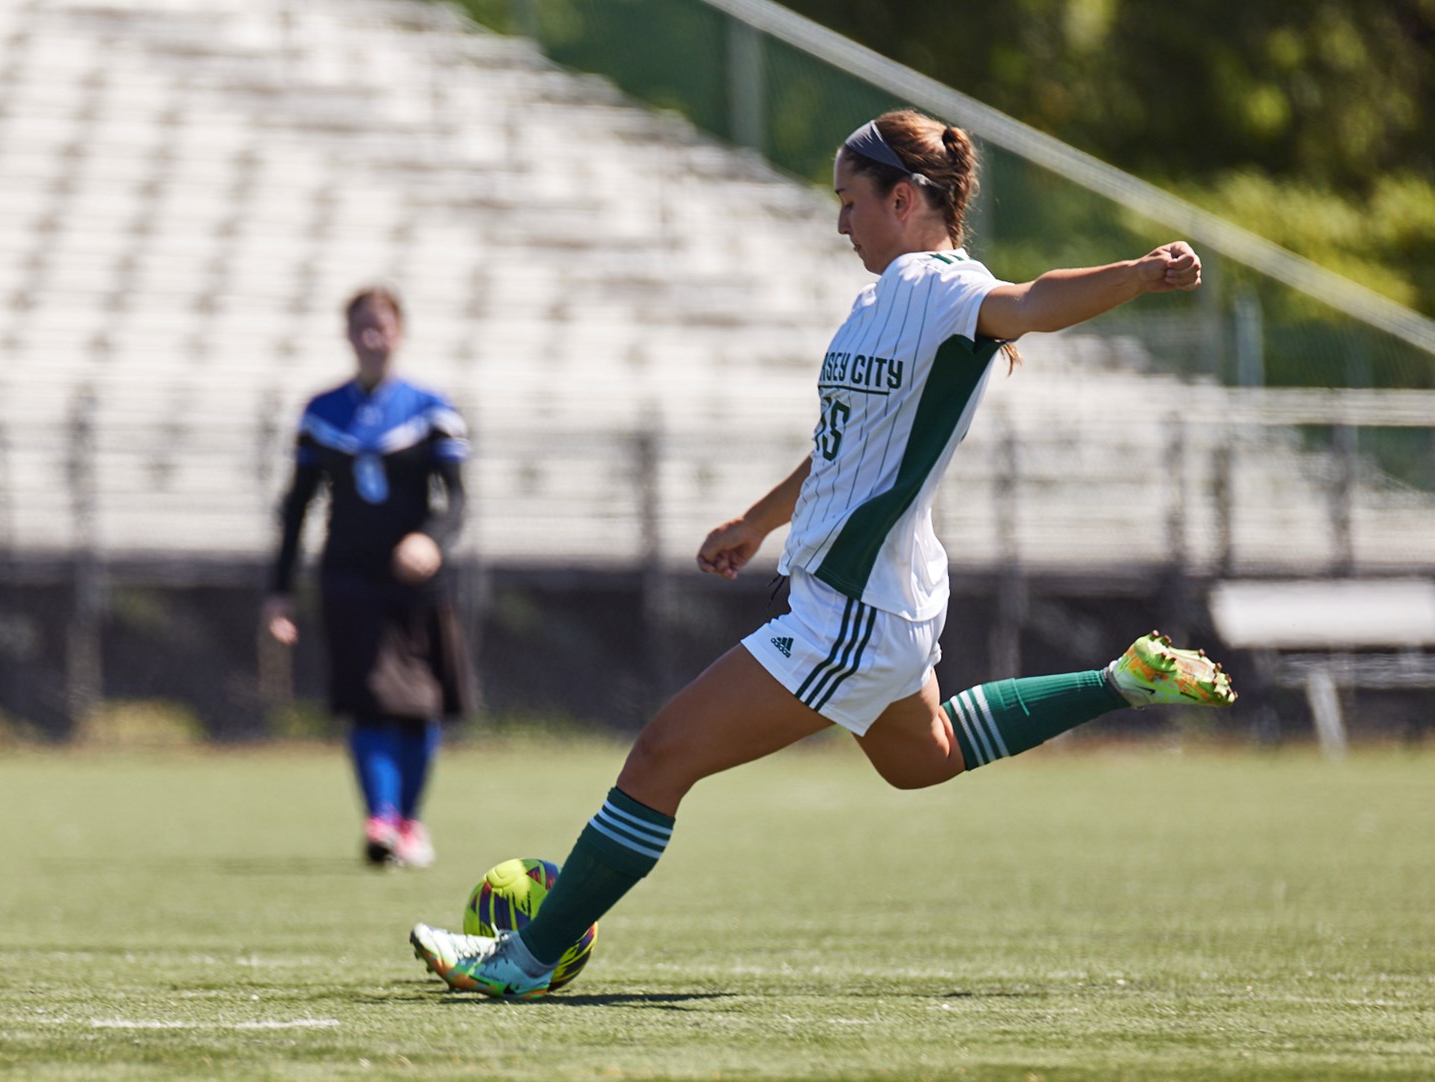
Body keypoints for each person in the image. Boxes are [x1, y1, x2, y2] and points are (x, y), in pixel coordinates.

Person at [409, 110, 1237, 996]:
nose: (840, 223)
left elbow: (1032, 303)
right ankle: (1122, 682)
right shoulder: (886, 298)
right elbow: (845, 449)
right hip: (880, 599)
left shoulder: (941, 286)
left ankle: (527, 960)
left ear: (904, 197)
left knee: (660, 756)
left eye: (850, 203)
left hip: (853, 608)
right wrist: (758, 522)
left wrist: (1140, 273)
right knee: (925, 756)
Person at [264, 286, 472, 868]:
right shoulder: (322, 411)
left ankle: (410, 821)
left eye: (381, 325)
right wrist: (279, 591)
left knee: (421, 703)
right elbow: (296, 507)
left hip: (417, 585)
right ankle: (380, 820)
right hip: (349, 576)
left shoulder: (430, 406)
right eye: (362, 326)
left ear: (399, 332)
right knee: (370, 701)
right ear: (348, 334)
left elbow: (456, 503)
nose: (372, 336)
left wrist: (430, 541)